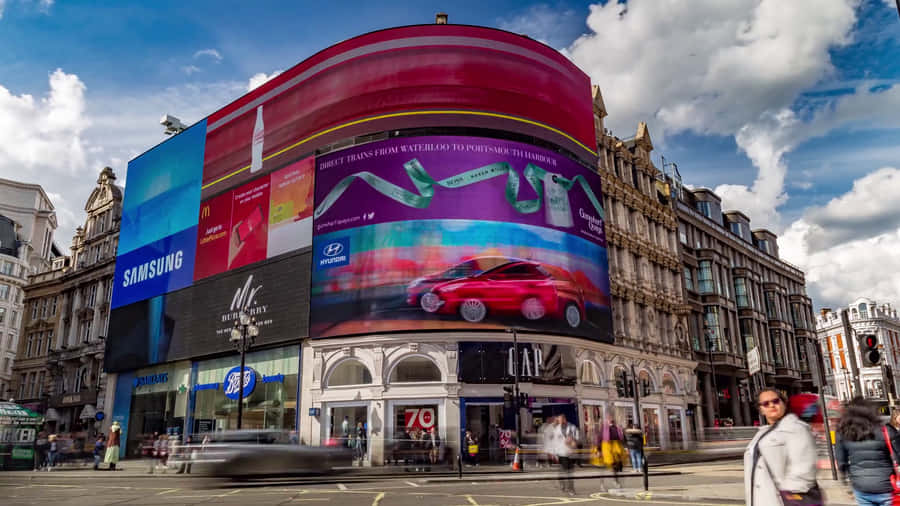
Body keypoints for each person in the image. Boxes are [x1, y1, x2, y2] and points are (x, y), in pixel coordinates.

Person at [743, 388, 818, 506]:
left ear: (783, 403)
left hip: (782, 500)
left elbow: (804, 467)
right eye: (766, 403)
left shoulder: (795, 428)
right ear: (761, 409)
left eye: (776, 401)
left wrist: (790, 496)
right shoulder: (761, 433)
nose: (772, 405)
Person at [836, 397, 900, 506]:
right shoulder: (885, 430)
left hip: (861, 486)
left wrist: (846, 479)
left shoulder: (844, 433)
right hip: (886, 485)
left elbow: (841, 462)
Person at [552, 414, 578, 496]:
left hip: (570, 452)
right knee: (565, 471)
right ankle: (564, 485)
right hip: (561, 453)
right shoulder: (556, 429)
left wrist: (573, 441)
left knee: (569, 472)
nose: (560, 421)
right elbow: (555, 442)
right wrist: (554, 453)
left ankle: (571, 488)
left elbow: (577, 437)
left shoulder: (572, 427)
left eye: (561, 419)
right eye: (559, 420)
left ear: (564, 419)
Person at [602, 418, 625, 487]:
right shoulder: (616, 429)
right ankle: (613, 482)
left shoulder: (615, 429)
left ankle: (615, 481)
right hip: (611, 449)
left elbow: (621, 438)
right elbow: (621, 438)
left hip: (611, 450)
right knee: (613, 467)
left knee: (614, 467)